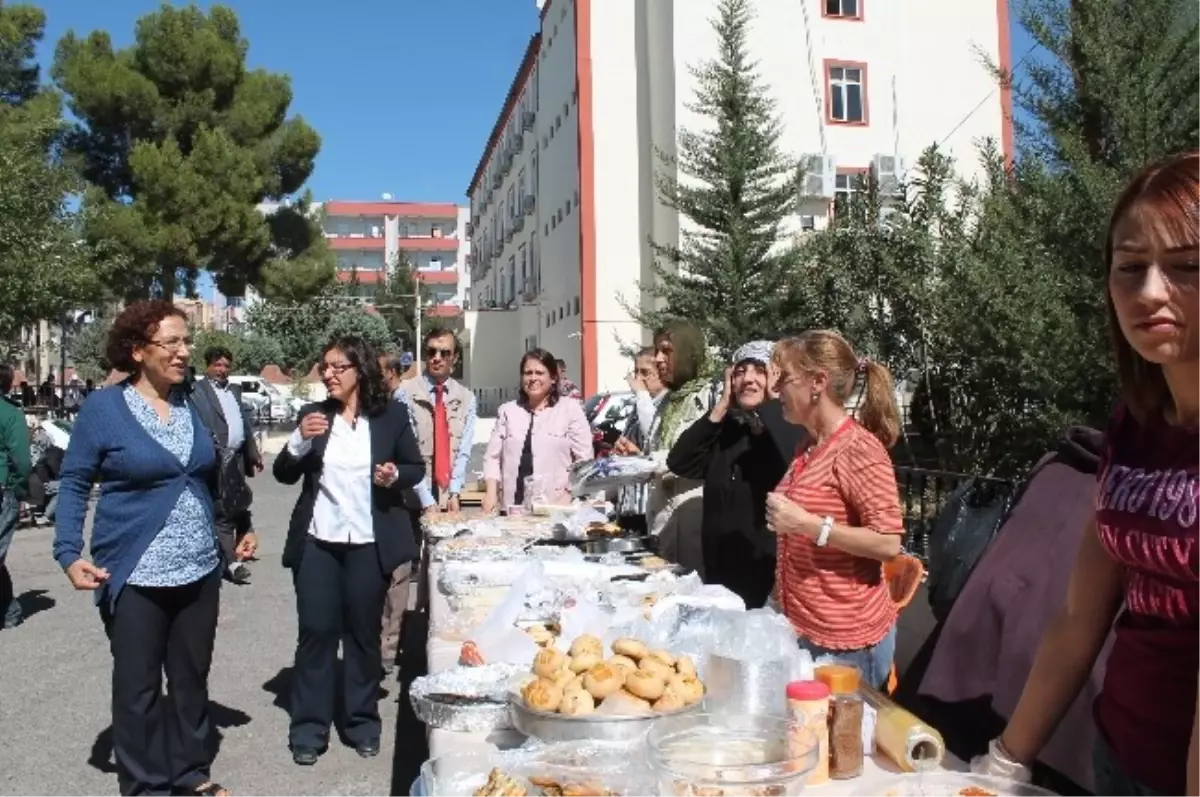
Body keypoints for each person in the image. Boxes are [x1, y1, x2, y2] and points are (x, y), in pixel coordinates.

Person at [973, 153, 1200, 797]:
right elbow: (1080, 614)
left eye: (1186, 265)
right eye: (1131, 268)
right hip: (1120, 755)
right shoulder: (1132, 426)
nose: (1151, 291)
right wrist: (1006, 761)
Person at [52, 301, 231, 797]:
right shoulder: (104, 409)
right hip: (134, 575)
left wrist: (238, 526)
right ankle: (146, 787)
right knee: (139, 690)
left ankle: (190, 773)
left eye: (185, 341)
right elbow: (73, 481)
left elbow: (208, 478)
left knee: (192, 679)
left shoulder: (190, 401)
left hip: (198, 571)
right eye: (171, 342)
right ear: (138, 351)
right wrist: (68, 551)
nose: (183, 351)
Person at [274, 335, 424, 766]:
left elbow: (415, 468)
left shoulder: (390, 415)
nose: (329, 374)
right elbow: (284, 474)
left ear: (360, 371)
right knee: (316, 634)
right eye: (325, 367)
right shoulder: (313, 416)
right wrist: (299, 440)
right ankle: (309, 728)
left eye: (339, 366)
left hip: (368, 544)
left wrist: (395, 473)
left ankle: (361, 722)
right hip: (319, 543)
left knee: (362, 637)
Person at [765, 330, 904, 690]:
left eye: (785, 378)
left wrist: (810, 525)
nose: (776, 388)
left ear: (818, 382)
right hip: (805, 627)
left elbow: (888, 543)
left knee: (845, 743)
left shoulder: (858, 450)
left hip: (847, 642)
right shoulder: (808, 446)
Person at [667, 341, 808, 608]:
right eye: (741, 371)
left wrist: (774, 403)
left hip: (767, 578)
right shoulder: (729, 431)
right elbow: (680, 462)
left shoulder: (792, 431)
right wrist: (721, 407)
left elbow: (789, 459)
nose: (748, 379)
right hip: (720, 573)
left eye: (760, 371)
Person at [380, 329, 477, 675]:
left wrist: (452, 492)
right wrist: (425, 500)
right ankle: (389, 648)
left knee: (444, 573)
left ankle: (437, 646)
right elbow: (406, 451)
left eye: (445, 353)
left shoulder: (466, 397)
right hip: (408, 494)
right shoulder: (406, 395)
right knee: (401, 573)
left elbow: (463, 448)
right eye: (432, 351)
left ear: (455, 358)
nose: (437, 358)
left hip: (444, 496)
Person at [643, 321, 718, 573]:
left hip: (696, 532)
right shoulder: (666, 404)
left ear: (688, 352)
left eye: (666, 351)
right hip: (663, 529)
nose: (657, 359)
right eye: (656, 351)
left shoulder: (714, 399)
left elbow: (709, 458)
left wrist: (656, 461)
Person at [483, 349, 593, 513]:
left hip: (556, 507)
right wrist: (491, 493)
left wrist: (570, 493)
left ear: (553, 377)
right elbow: (492, 457)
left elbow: (584, 460)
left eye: (540, 373)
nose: (533, 378)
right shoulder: (507, 411)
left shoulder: (570, 409)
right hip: (514, 508)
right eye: (528, 373)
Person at [191, 346, 262, 585]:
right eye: (217, 365)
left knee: (238, 503)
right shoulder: (197, 391)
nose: (222, 370)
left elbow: (244, 424)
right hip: (216, 459)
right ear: (208, 366)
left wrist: (253, 453)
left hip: (237, 459)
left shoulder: (234, 391)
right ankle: (231, 562)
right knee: (222, 510)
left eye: (226, 365)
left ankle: (234, 551)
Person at [614, 347, 668, 534]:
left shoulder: (665, 404)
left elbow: (655, 436)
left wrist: (642, 395)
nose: (638, 379)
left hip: (648, 507)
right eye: (635, 372)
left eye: (645, 372)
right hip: (628, 504)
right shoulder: (639, 403)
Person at [0, 363, 31, 630]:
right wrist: (19, 488)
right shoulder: (10, 414)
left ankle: (9, 610)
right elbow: (22, 460)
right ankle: (9, 610)